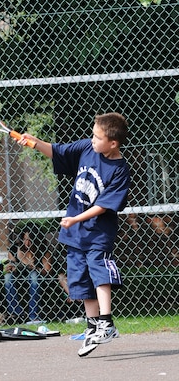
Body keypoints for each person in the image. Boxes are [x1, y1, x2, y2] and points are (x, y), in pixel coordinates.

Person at [17, 112, 131, 356]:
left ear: (113, 143)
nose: (92, 139)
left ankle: (106, 323)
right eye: (93, 134)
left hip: (98, 234)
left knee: (99, 273)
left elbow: (103, 205)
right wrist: (35, 142)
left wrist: (76, 218)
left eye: (98, 137)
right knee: (80, 279)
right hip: (75, 233)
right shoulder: (87, 148)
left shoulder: (120, 170)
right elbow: (58, 151)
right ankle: (92, 327)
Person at [4, 224, 52, 324]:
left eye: (30, 240)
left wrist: (35, 267)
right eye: (25, 239)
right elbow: (11, 264)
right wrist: (11, 268)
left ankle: (33, 315)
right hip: (19, 276)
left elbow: (47, 270)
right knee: (7, 277)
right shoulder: (14, 249)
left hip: (36, 276)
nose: (27, 243)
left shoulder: (42, 250)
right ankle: (16, 314)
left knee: (34, 277)